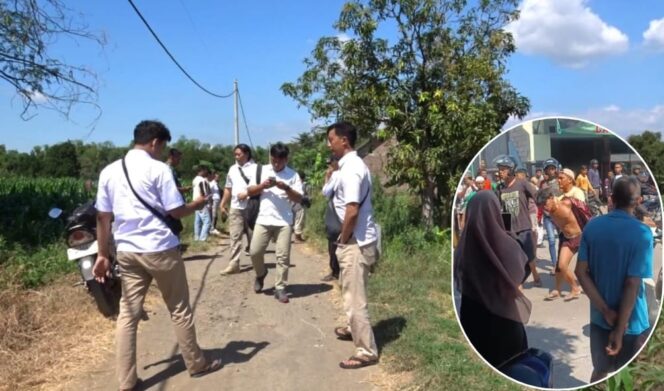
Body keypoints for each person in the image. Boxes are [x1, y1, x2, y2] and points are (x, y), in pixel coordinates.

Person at [92, 120, 222, 391]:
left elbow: (103, 217)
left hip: (127, 250)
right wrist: (197, 205)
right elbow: (175, 211)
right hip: (160, 248)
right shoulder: (158, 169)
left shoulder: (109, 171)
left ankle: (126, 381)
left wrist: (102, 255)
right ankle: (196, 363)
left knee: (128, 314)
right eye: (162, 146)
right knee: (179, 307)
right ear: (154, 142)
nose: (162, 152)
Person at [575, 177, 653, 382]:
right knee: (634, 377)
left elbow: (581, 272)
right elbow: (632, 283)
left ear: (611, 199)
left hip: (601, 320)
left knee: (600, 372)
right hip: (633, 323)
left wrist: (606, 310)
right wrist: (619, 330)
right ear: (638, 201)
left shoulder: (592, 226)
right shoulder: (642, 233)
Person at [455, 191, 532, 368]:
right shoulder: (508, 245)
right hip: (503, 321)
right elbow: (520, 278)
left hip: (472, 320)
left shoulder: (463, 248)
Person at [327, 122, 380, 369]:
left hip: (355, 241)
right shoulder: (349, 167)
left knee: (354, 299)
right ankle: (352, 328)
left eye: (331, 140)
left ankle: (366, 351)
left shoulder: (351, 170)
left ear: (344, 141)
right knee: (350, 290)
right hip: (359, 239)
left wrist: (344, 238)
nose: (329, 144)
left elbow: (352, 210)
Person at [247, 142, 303, 304]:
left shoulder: (293, 175)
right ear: (270, 157)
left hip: (284, 221)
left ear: (286, 159)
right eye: (273, 160)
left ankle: (280, 287)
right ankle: (261, 273)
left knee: (283, 257)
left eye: (280, 160)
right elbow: (250, 191)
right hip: (263, 219)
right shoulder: (261, 170)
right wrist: (262, 186)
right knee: (255, 252)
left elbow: (299, 198)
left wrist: (285, 188)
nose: (276, 163)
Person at [494, 155, 541, 287]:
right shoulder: (499, 188)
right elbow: (498, 207)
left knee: (529, 256)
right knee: (513, 258)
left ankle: (536, 275)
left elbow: (537, 196)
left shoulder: (522, 184)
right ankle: (517, 284)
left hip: (524, 226)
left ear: (511, 170)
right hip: (509, 228)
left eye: (503, 169)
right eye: (499, 169)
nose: (500, 172)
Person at [536, 188, 584, 301]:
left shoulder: (567, 203)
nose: (544, 208)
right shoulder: (548, 210)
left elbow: (584, 210)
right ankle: (573, 288)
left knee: (591, 267)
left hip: (581, 236)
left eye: (545, 203)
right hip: (567, 238)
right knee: (561, 265)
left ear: (551, 198)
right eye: (541, 206)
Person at [219, 144, 257, 275]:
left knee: (254, 237)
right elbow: (228, 188)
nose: (236, 156)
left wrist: (247, 193)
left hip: (252, 207)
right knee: (234, 236)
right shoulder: (232, 169)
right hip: (236, 207)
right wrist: (223, 203)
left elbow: (260, 188)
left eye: (238, 154)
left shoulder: (256, 168)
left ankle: (258, 263)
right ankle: (234, 263)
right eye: (235, 154)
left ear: (246, 154)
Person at [322, 156, 341, 281]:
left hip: (336, 215)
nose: (329, 167)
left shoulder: (336, 175)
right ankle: (336, 271)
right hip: (337, 214)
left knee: (334, 243)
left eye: (331, 163)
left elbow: (325, 192)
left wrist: (327, 178)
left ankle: (335, 271)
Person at [540, 158, 561, 271]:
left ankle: (562, 262)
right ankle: (554, 264)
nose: (551, 171)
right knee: (551, 240)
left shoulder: (560, 181)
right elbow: (539, 198)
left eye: (553, 169)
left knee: (563, 239)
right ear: (545, 171)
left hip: (558, 215)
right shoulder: (543, 184)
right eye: (549, 169)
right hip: (547, 216)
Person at [192, 165, 212, 241]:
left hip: (195, 202)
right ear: (202, 171)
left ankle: (196, 237)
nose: (207, 172)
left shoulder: (194, 179)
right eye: (206, 170)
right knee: (207, 221)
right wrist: (207, 200)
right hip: (201, 203)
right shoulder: (202, 180)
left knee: (198, 221)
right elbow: (204, 192)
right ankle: (202, 238)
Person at [292, 171, 310, 242]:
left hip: (292, 206)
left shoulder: (293, 185)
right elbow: (308, 196)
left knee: (295, 221)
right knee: (299, 221)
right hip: (300, 206)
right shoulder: (304, 185)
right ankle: (297, 237)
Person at [208, 171, 222, 236]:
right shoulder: (212, 183)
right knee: (213, 215)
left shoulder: (216, 184)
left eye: (218, 177)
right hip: (214, 200)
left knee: (215, 214)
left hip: (217, 201)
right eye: (217, 177)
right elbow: (208, 191)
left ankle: (213, 227)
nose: (218, 178)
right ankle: (212, 228)